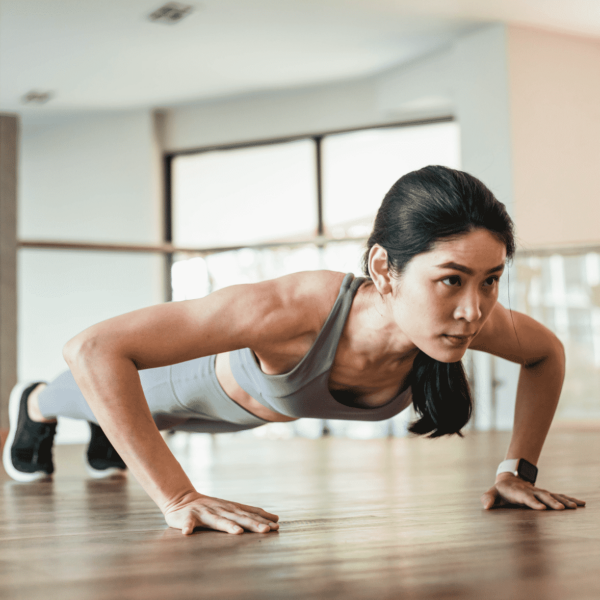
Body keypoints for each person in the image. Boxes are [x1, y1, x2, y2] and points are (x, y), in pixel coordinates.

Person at [3, 165, 585, 536]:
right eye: (451, 279)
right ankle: (31, 405)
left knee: (130, 420)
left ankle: (115, 429)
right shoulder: (295, 308)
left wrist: (518, 471)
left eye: (491, 279)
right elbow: (94, 347)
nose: (474, 309)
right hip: (185, 385)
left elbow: (546, 354)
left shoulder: (469, 320)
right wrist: (178, 498)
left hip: (240, 417)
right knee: (76, 398)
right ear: (385, 269)